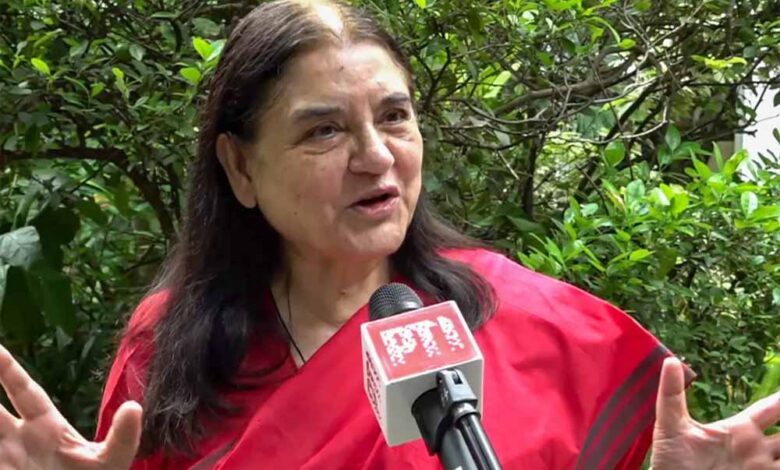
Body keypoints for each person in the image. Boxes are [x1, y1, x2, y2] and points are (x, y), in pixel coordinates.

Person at [1, 0, 778, 468]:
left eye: (395, 117)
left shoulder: (532, 322)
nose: (376, 157)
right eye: (324, 131)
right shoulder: (169, 350)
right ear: (240, 167)